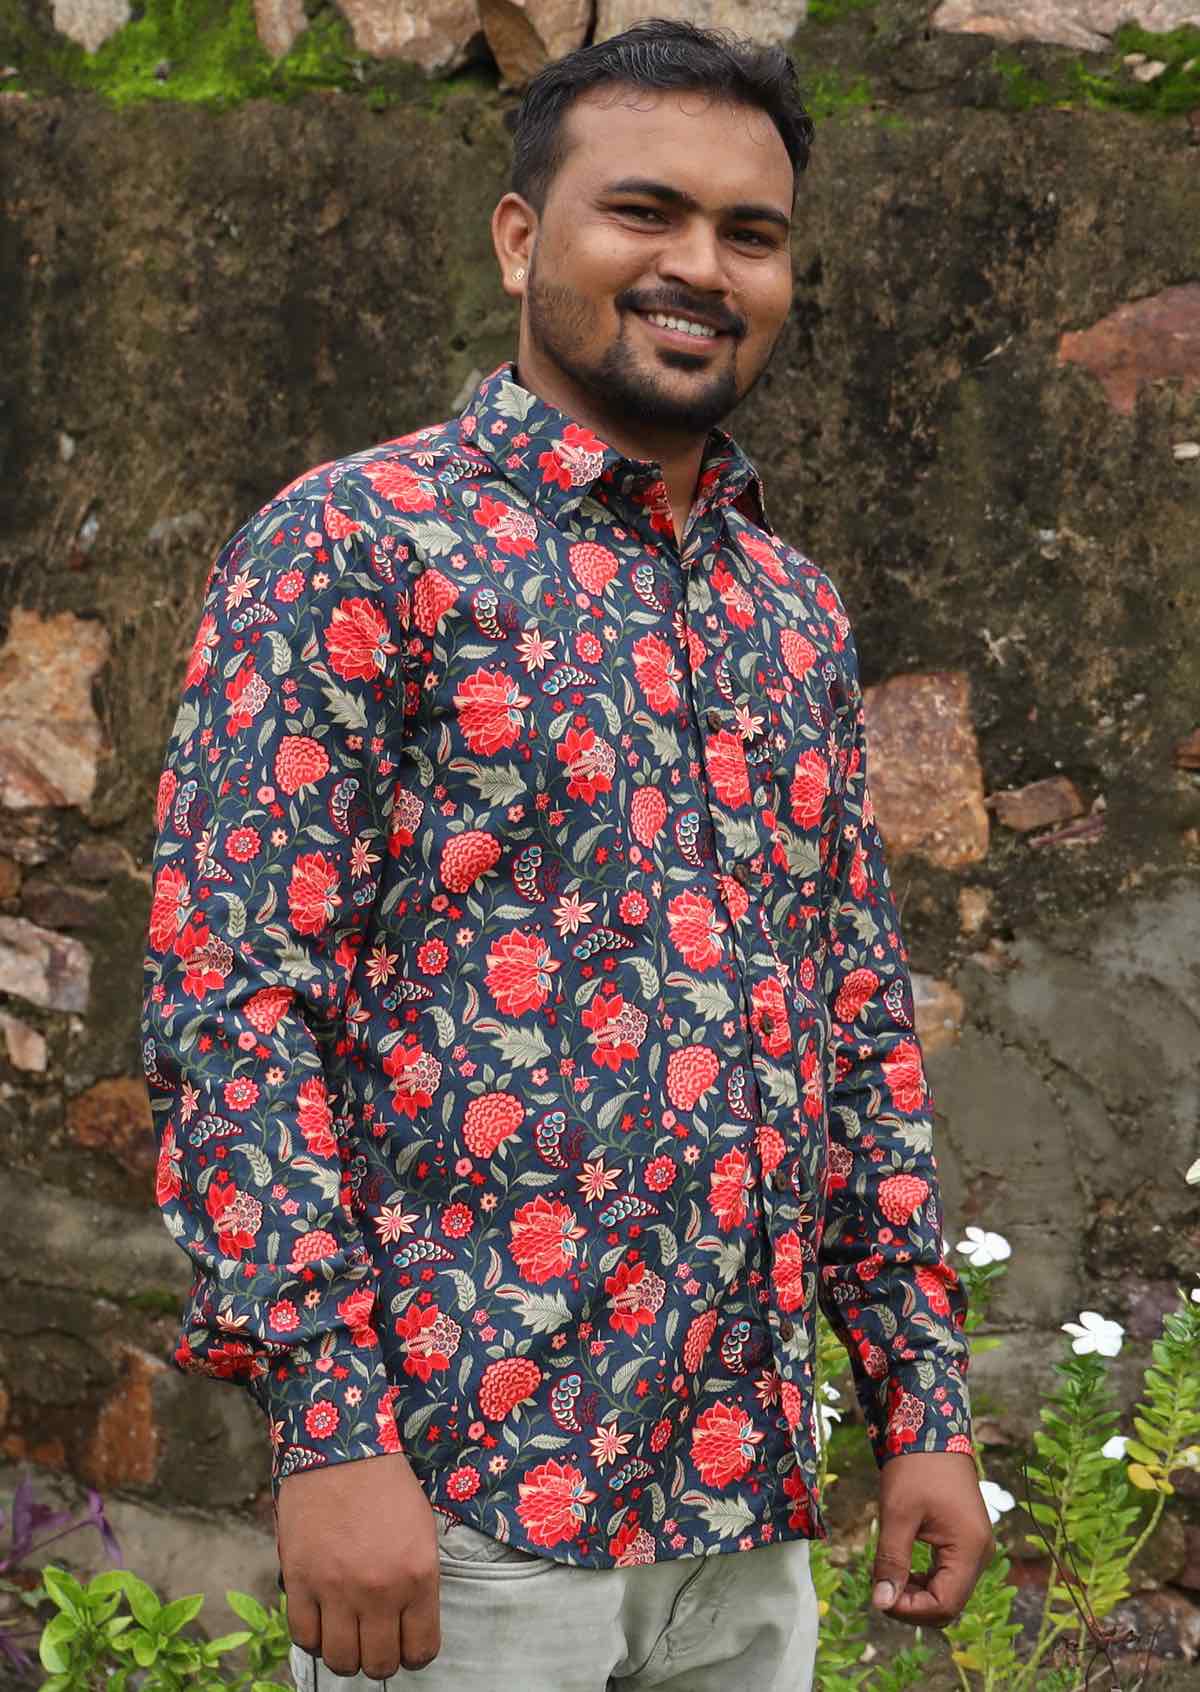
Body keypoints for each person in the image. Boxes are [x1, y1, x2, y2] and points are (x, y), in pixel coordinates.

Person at [141, 18, 992, 1692]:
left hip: (737, 1506)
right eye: (645, 213)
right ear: (525, 237)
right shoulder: (358, 545)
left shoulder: (790, 611)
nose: (701, 267)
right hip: (460, 1501)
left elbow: (855, 1037)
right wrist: (329, 1431)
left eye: (751, 234)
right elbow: (233, 998)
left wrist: (921, 1407)